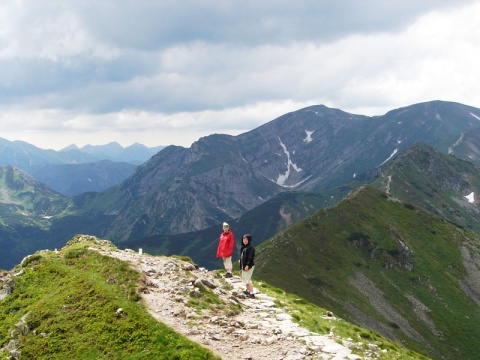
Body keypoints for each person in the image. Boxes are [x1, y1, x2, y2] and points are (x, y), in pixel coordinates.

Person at [239, 234, 255, 298]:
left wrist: (248, 265)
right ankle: (248, 290)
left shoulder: (251, 248)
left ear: (249, 240)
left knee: (248, 280)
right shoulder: (243, 248)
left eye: (246, 239)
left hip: (249, 266)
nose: (244, 241)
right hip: (244, 265)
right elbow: (242, 256)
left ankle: (252, 293)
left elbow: (250, 258)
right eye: (243, 239)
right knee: (245, 278)